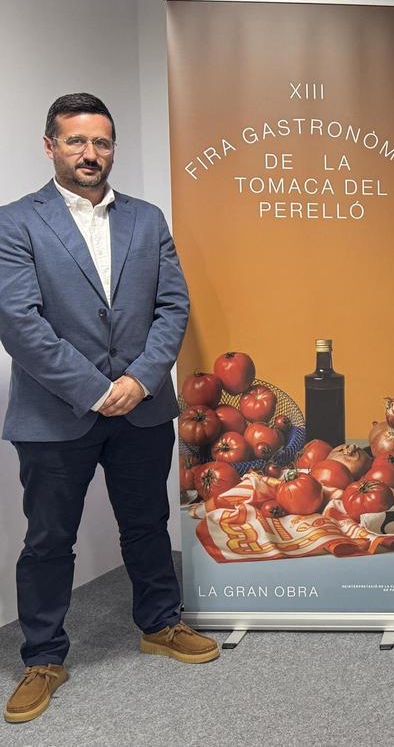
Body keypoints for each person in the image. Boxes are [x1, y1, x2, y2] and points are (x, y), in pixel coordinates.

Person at [0, 93, 218, 725]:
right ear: (50, 146)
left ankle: (160, 623)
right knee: (49, 539)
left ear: (112, 148)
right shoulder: (16, 222)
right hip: (56, 413)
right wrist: (97, 389)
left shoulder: (147, 220)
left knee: (147, 523)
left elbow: (173, 306)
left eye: (101, 142)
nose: (90, 153)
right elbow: (19, 322)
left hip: (141, 409)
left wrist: (141, 380)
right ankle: (43, 657)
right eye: (76, 141)